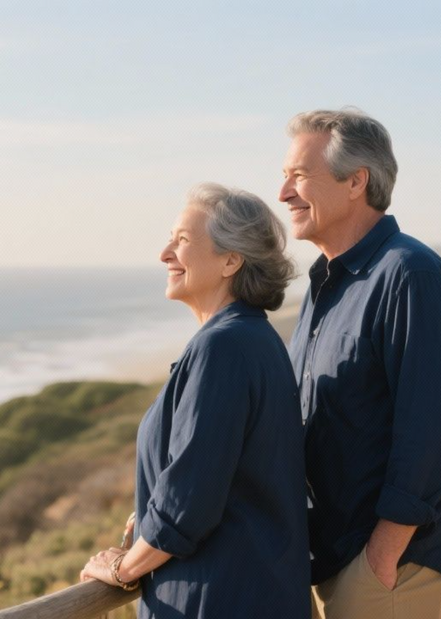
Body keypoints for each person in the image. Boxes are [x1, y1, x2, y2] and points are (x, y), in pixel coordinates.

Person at [80, 182, 311, 618]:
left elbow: (188, 504)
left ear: (230, 260)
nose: (165, 253)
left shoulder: (223, 347)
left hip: (217, 599)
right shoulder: (254, 338)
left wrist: (122, 567)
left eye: (182, 240)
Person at [279, 109, 441, 619]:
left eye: (299, 176)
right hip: (336, 557)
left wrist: (382, 558)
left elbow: (434, 432)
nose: (283, 193)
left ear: (356, 182)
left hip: (392, 564)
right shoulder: (323, 286)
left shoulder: (410, 274)